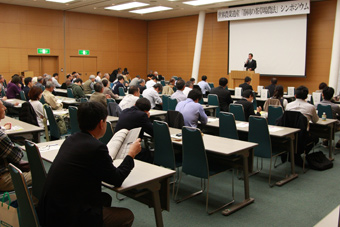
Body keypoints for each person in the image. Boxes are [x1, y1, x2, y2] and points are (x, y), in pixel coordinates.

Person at [38, 102, 141, 226]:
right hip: (67, 216)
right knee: (126, 216)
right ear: (101, 123)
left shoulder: (71, 139)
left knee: (105, 198)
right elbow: (117, 179)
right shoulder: (96, 147)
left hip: (50, 208)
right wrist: (131, 155)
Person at [0, 100, 32, 191]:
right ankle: (32, 203)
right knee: (41, 175)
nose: (5, 108)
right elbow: (17, 156)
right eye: (2, 107)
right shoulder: (1, 137)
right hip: (3, 178)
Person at [285, 85, 319, 165]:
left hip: (289, 134)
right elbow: (315, 120)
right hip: (302, 136)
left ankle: (293, 153)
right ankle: (299, 153)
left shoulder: (288, 105)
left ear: (295, 96)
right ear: (306, 97)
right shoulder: (310, 107)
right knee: (316, 138)